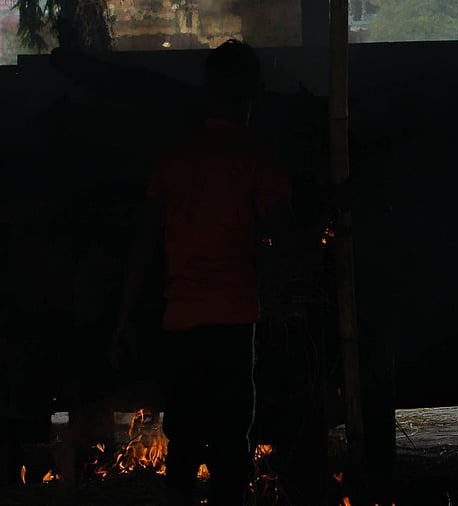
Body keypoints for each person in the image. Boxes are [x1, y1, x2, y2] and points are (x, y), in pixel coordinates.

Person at [112, 39, 295, 505]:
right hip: (235, 318)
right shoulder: (257, 157)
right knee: (232, 439)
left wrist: (126, 315)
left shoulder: (173, 158)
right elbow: (285, 233)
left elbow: (145, 241)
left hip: (181, 320)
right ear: (251, 96)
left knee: (186, 437)